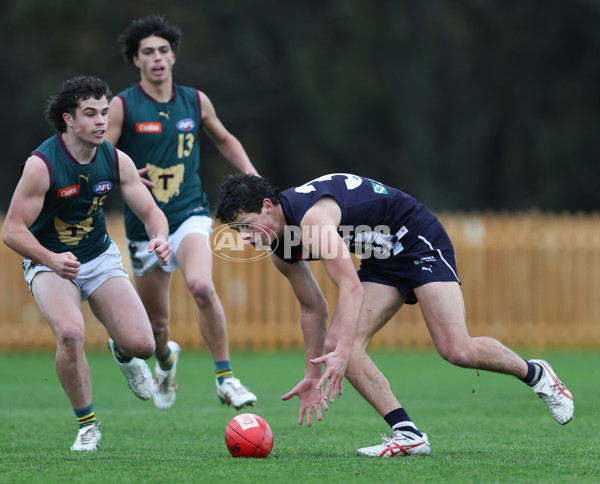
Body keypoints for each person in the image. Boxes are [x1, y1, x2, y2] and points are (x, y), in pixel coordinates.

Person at [214, 172, 574, 457]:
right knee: (342, 344)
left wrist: (339, 353)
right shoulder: (280, 249)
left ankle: (538, 374)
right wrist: (312, 373)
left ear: (267, 205)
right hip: (382, 256)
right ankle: (408, 435)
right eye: (237, 231)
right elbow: (313, 307)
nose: (245, 237)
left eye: (246, 224)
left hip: (415, 237)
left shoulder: (312, 222)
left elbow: (352, 288)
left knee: (456, 349)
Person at [1, 76, 172, 451]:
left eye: (105, 113)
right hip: (50, 261)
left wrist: (159, 236)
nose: (101, 122)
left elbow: (151, 212)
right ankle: (87, 425)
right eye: (90, 114)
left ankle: (123, 352)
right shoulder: (42, 165)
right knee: (71, 333)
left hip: (98, 256)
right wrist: (49, 258)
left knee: (144, 344)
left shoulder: (115, 158)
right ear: (68, 119)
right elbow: (12, 231)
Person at [105, 14, 259, 411]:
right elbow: (100, 152)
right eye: (147, 53)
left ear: (173, 57)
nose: (156, 58)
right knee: (156, 328)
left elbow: (224, 138)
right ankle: (165, 360)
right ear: (136, 60)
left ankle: (226, 379)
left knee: (202, 287)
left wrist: (254, 178)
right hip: (145, 227)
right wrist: (122, 169)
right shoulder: (123, 105)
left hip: (191, 212)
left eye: (163, 51)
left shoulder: (195, 100)